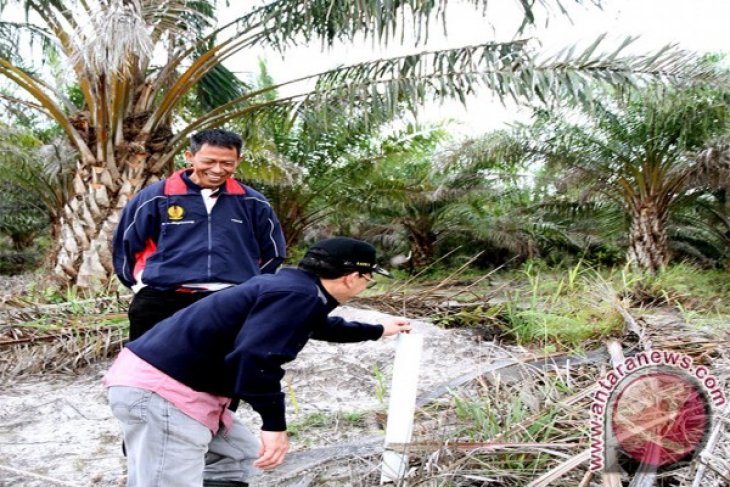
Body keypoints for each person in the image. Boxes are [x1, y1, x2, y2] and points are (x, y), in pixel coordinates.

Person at [104, 237, 412, 487]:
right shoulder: (299, 296)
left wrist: (378, 330)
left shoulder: (292, 289)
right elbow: (254, 359)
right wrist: (274, 425)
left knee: (238, 458)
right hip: (162, 391)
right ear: (351, 278)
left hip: (177, 387)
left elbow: (318, 325)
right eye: (368, 277)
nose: (366, 284)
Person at [112, 128, 286, 340]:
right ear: (190, 157)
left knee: (224, 370)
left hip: (230, 300)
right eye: (209, 161)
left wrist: (248, 286)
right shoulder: (155, 197)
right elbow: (126, 246)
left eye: (227, 163)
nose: (218, 169)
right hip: (162, 300)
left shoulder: (252, 202)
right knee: (150, 370)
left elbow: (274, 251)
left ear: (238, 160)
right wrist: (140, 286)